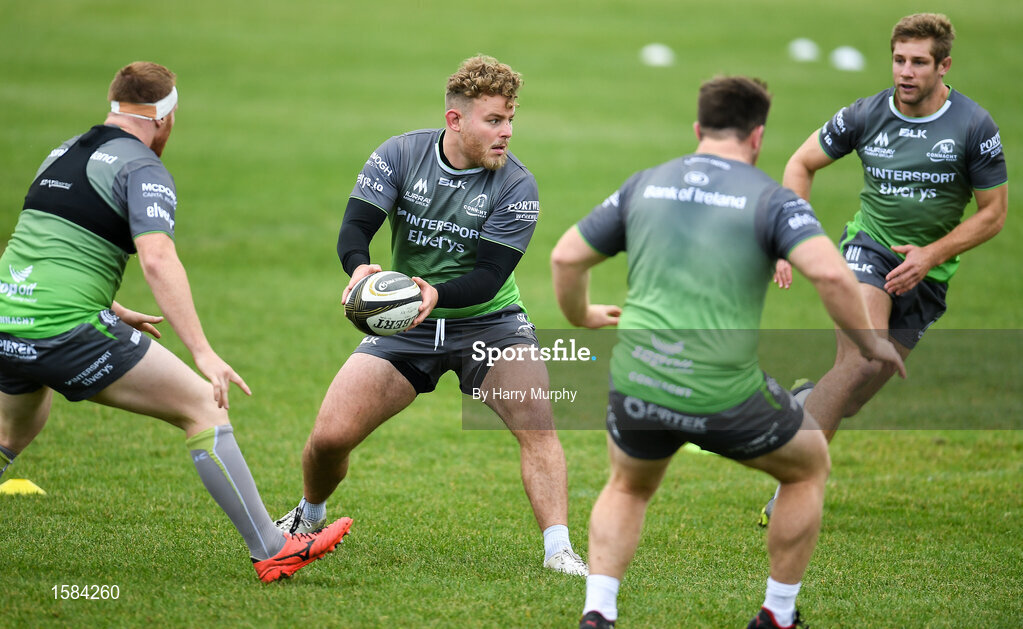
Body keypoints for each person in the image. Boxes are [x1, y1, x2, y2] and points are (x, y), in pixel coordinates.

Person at [551, 76, 906, 628]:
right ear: (757, 136)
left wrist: (582, 316)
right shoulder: (771, 198)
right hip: (723, 391)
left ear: (698, 129)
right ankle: (778, 615)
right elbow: (832, 275)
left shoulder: (645, 184)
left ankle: (598, 612)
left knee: (628, 486)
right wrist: (869, 343)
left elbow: (565, 258)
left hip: (639, 380)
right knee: (808, 467)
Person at [0, 61, 351, 583]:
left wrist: (112, 306)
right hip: (65, 328)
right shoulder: (142, 167)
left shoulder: (63, 152)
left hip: (9, 318)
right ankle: (273, 548)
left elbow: (48, 247)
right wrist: (204, 352)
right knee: (201, 409)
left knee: (10, 431)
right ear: (165, 117)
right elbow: (158, 258)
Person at [274, 55, 587, 576]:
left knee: (537, 421)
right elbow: (355, 228)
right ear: (455, 120)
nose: (506, 132)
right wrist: (358, 270)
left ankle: (560, 550)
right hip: (407, 322)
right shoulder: (400, 155)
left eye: (510, 119)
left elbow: (490, 274)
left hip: (491, 321)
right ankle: (309, 516)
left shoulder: (517, 185)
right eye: (494, 120)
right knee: (329, 437)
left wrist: (434, 295)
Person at [763, 13, 1008, 525]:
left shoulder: (973, 125)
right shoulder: (865, 114)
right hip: (867, 251)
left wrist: (931, 255)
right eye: (899, 59)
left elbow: (994, 214)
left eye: (919, 62)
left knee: (849, 396)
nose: (906, 72)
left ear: (943, 66)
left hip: (929, 274)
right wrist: (790, 239)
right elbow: (799, 164)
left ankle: (799, 403)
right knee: (857, 361)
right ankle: (793, 487)